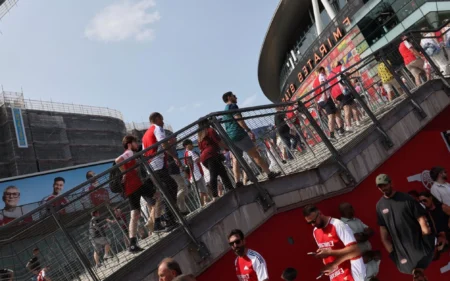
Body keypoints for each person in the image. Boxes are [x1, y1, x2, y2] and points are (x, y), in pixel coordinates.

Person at [375, 174, 435, 277]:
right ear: (426, 278)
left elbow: (421, 219)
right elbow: (383, 231)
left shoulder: (406, 198)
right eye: (381, 186)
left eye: (385, 185)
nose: (384, 188)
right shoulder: (379, 206)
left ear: (391, 183)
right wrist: (384, 240)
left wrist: (391, 249)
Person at [222, 91, 281, 186]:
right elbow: (239, 119)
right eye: (234, 96)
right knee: (255, 154)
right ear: (229, 97)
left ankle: (238, 182)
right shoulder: (233, 106)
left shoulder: (224, 110)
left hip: (230, 137)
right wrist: (248, 130)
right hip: (239, 134)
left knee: (236, 159)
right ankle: (269, 173)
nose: (236, 97)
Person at [303, 204, 365, 281]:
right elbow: (327, 253)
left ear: (320, 213)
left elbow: (355, 250)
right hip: (334, 274)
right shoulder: (316, 231)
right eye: (309, 223)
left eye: (314, 221)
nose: (313, 224)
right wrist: (320, 254)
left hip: (351, 273)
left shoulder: (337, 225)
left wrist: (330, 254)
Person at [115, 135, 155, 252]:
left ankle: (132, 244)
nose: (137, 145)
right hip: (136, 185)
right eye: (135, 142)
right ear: (129, 144)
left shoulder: (131, 155)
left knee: (134, 214)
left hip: (131, 187)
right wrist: (125, 172)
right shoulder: (129, 153)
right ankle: (155, 223)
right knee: (157, 197)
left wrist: (129, 171)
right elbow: (118, 160)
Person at [142, 112, 180, 231]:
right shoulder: (157, 128)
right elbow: (164, 144)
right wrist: (174, 156)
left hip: (151, 168)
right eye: (162, 120)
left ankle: (159, 222)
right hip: (158, 166)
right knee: (172, 188)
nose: (163, 122)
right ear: (157, 119)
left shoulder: (145, 135)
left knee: (164, 192)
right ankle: (169, 219)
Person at [340, 202, 380, 281]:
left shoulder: (357, 220)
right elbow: (356, 238)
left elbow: (371, 231)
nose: (353, 209)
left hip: (365, 256)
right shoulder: (342, 224)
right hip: (358, 256)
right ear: (344, 211)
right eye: (350, 208)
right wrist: (364, 235)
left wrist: (362, 236)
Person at [313, 67, 345, 141]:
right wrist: (324, 95)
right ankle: (331, 135)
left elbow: (313, 94)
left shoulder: (315, 81)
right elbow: (322, 85)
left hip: (322, 100)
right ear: (321, 70)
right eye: (324, 70)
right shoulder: (321, 76)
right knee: (331, 116)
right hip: (325, 99)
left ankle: (341, 129)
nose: (325, 72)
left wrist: (317, 104)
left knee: (336, 112)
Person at [328, 62, 361, 132]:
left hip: (336, 93)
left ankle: (357, 121)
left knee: (353, 104)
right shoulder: (340, 68)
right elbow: (347, 73)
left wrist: (333, 98)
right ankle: (348, 126)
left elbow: (329, 87)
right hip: (343, 90)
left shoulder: (329, 76)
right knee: (348, 108)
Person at [166, 129, 189, 216]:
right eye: (174, 137)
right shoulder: (169, 148)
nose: (176, 139)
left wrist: (181, 167)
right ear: (170, 139)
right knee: (182, 188)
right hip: (172, 172)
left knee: (184, 189)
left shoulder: (173, 148)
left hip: (175, 171)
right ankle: (179, 208)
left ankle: (183, 209)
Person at [183, 139, 211, 206]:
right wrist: (203, 155)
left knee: (202, 190)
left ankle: (204, 203)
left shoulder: (185, 154)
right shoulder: (190, 152)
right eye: (191, 144)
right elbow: (198, 160)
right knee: (202, 191)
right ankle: (203, 205)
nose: (192, 145)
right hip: (197, 175)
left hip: (194, 175)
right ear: (187, 145)